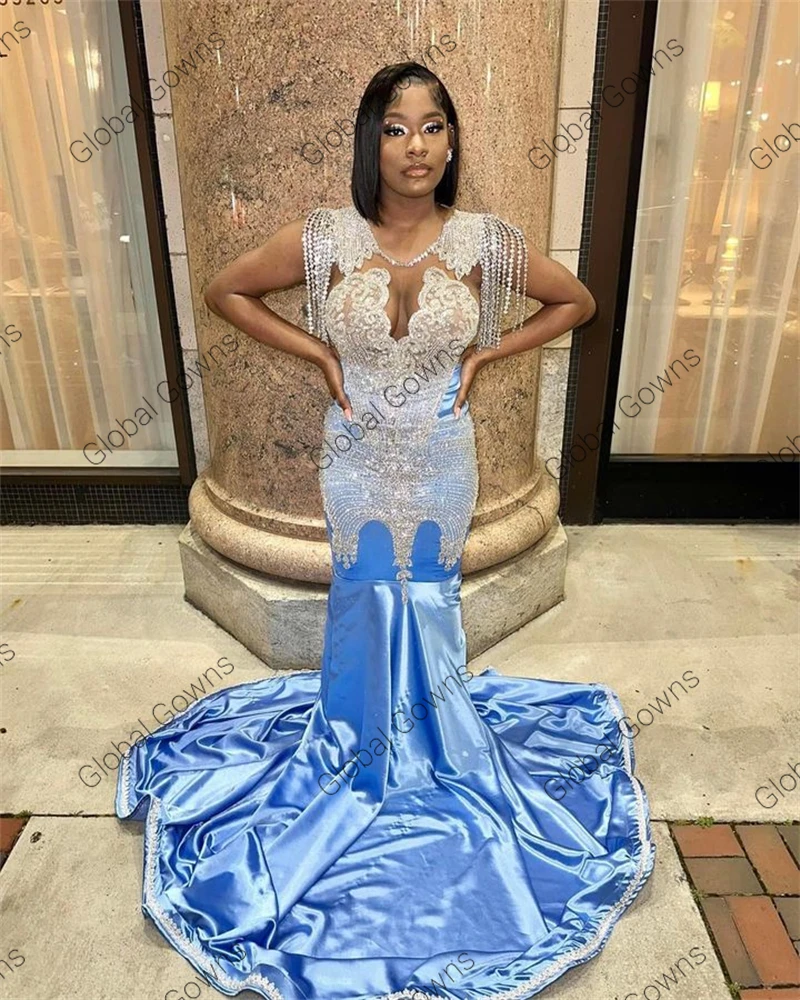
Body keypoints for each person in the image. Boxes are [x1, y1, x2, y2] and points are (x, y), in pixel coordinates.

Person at [116, 61, 655, 1000]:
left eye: (433, 126)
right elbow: (228, 291)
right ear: (372, 141)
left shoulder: (486, 241)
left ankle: (440, 748)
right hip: (356, 455)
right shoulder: (325, 236)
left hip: (441, 455)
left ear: (452, 141)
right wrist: (321, 353)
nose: (416, 146)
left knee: (432, 608)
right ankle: (355, 745)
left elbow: (576, 301)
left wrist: (486, 353)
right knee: (364, 607)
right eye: (397, 128)